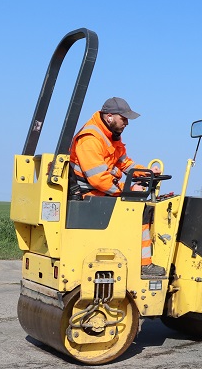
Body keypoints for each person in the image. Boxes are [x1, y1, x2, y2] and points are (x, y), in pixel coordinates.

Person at [69, 96, 165, 277]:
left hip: (99, 191)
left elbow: (124, 163)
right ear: (109, 117)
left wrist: (147, 173)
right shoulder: (90, 138)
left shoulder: (110, 136)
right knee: (141, 211)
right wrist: (128, 190)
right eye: (124, 118)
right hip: (88, 194)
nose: (127, 123)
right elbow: (99, 179)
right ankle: (144, 264)